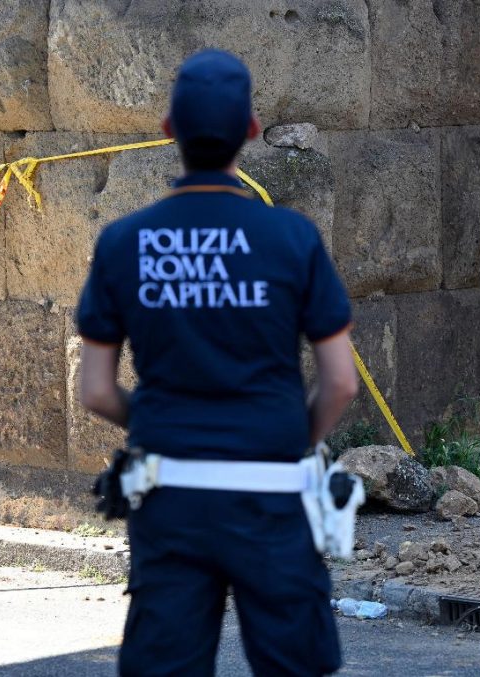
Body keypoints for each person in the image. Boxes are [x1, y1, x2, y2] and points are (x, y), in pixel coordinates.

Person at [76, 49, 357, 676]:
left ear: (168, 130)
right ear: (251, 130)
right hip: (274, 502)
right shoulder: (292, 239)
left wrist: (157, 422)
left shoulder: (124, 242)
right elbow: (340, 382)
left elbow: (96, 391)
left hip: (170, 500)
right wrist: (287, 439)